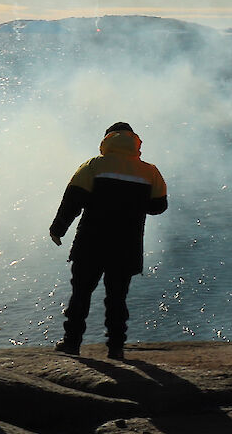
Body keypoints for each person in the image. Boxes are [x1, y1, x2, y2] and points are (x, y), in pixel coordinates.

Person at [49, 122, 169, 360]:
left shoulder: (94, 165)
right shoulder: (150, 171)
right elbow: (159, 206)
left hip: (91, 242)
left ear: (107, 140)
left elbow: (73, 200)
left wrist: (58, 229)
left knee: (81, 293)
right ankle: (116, 348)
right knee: (117, 298)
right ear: (134, 141)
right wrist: (132, 203)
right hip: (127, 245)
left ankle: (72, 344)